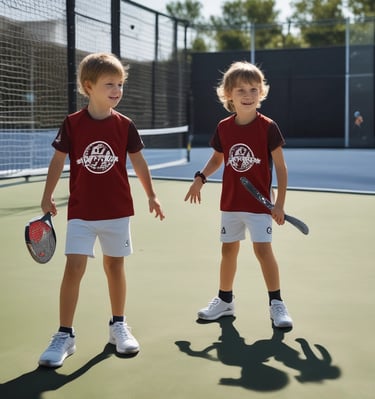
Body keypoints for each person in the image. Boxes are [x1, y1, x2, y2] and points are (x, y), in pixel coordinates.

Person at [38, 52, 165, 368]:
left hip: (117, 211)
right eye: (110, 84)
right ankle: (64, 335)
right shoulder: (72, 124)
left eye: (120, 84)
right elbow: (57, 161)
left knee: (115, 267)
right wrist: (47, 195)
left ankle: (118, 325)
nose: (117, 90)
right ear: (88, 86)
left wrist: (152, 196)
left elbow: (138, 162)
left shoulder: (125, 125)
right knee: (74, 269)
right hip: (81, 212)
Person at [184, 61, 292, 329]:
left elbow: (280, 167)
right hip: (231, 203)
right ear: (228, 95)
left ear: (261, 93)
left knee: (263, 251)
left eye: (253, 89)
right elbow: (217, 159)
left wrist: (278, 204)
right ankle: (225, 301)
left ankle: (276, 303)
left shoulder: (268, 127)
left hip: (259, 207)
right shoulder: (224, 128)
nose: (247, 95)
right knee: (228, 251)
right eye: (241, 90)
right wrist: (200, 178)